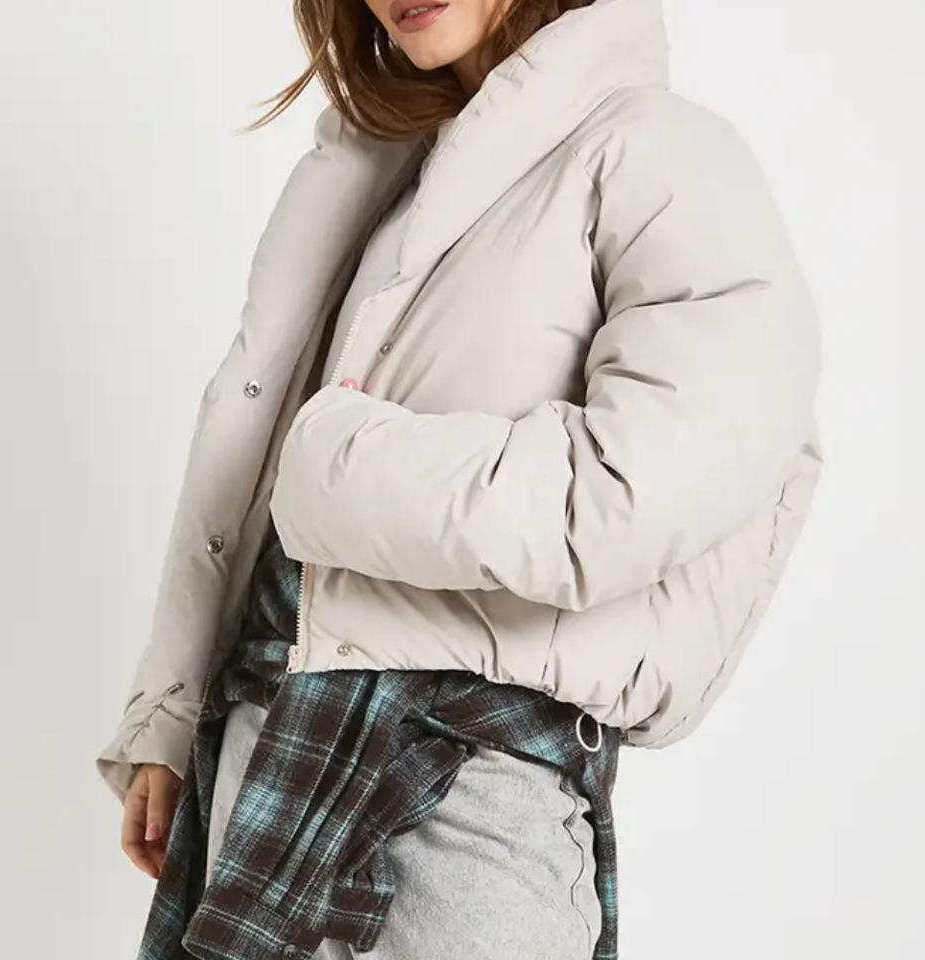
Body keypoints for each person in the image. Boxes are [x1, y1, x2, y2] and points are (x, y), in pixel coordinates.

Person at [96, 0, 823, 957]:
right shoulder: (381, 175)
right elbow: (252, 455)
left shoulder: (661, 155)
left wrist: (339, 470)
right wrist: (173, 708)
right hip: (268, 751)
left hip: (471, 795)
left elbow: (625, 495)